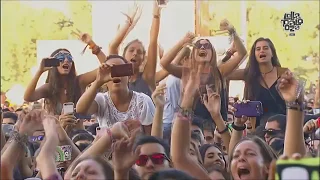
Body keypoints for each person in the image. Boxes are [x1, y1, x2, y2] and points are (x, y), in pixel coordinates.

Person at [76, 55, 155, 134]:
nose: (116, 75)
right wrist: (98, 82)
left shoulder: (142, 101)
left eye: (121, 70)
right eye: (111, 71)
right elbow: (80, 109)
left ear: (129, 76)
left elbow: (151, 138)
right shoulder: (101, 100)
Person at [229, 37, 289, 126]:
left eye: (265, 48)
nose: (262, 51)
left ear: (272, 53)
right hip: (257, 129)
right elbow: (223, 73)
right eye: (258, 49)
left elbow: (296, 98)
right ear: (254, 55)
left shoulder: (283, 73)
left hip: (282, 126)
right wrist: (230, 54)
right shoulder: (248, 74)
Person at [24, 48, 98, 115]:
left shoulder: (80, 81)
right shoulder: (49, 88)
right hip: (55, 129)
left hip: (78, 129)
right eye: (61, 58)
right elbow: (28, 97)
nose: (66, 60)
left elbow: (102, 71)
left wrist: (95, 48)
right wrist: (39, 71)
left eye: (69, 58)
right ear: (53, 63)